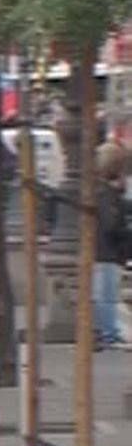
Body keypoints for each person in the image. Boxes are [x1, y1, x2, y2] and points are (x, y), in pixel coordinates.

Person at [94, 141, 131, 351]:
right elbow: (112, 224)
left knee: (104, 295)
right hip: (107, 252)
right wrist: (126, 235)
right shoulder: (108, 195)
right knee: (107, 296)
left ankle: (104, 333)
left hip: (102, 251)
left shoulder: (102, 191)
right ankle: (107, 334)